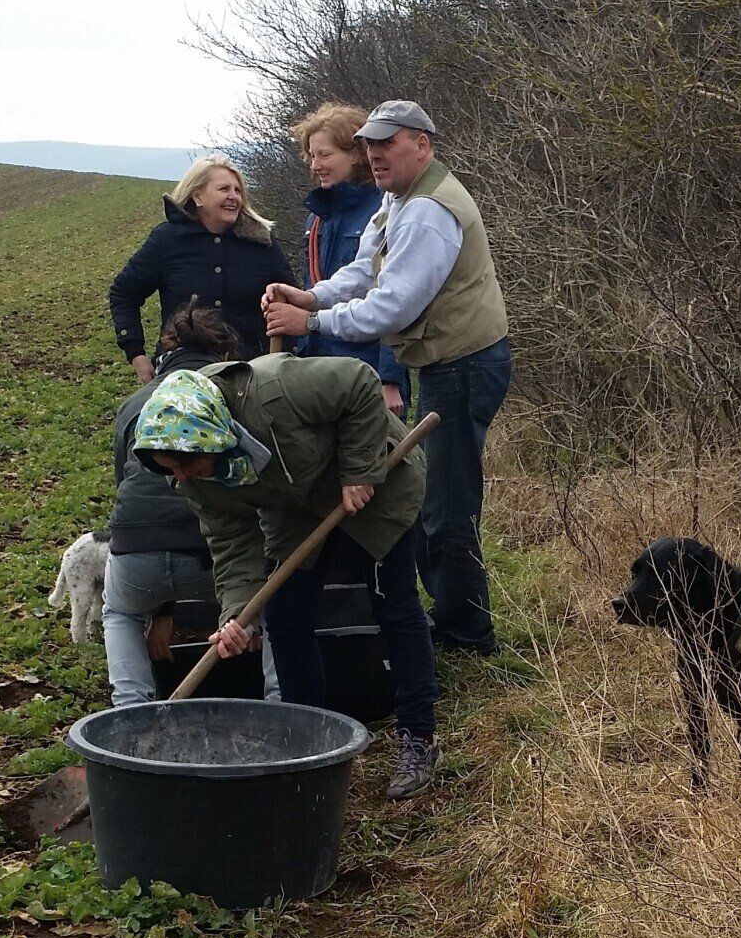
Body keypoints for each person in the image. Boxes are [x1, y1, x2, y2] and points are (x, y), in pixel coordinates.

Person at [262, 100, 511, 654]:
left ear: (421, 145)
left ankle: (467, 636)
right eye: (370, 144)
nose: (375, 154)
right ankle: (452, 620)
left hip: (464, 364)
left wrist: (313, 320)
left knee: (446, 508)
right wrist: (314, 292)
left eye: (387, 143)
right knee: (434, 500)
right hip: (445, 362)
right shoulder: (399, 200)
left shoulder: (428, 211)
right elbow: (366, 266)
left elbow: (392, 307)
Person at [132, 355, 442, 799]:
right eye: (169, 468)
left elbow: (360, 382)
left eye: (185, 466)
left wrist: (358, 470)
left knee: (392, 603)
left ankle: (418, 735)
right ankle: (310, 743)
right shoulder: (192, 474)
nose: (178, 478)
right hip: (295, 507)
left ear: (214, 439)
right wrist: (239, 614)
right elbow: (233, 544)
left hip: (379, 480)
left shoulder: (279, 390)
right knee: (286, 615)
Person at [103, 303, 278, 706]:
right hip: (212, 551)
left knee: (120, 613)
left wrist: (160, 611)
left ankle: (130, 709)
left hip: (135, 549)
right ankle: (280, 702)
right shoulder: (234, 394)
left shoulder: (136, 404)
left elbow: (124, 484)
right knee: (274, 607)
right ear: (224, 355)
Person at [109, 154, 294, 381]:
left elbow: (290, 298)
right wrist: (136, 353)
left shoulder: (262, 243)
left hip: (250, 375)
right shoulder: (167, 240)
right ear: (197, 196)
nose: (233, 197)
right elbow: (124, 293)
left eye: (238, 190)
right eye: (224, 189)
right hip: (183, 373)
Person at [291, 103, 411, 415]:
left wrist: (390, 379)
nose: (316, 165)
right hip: (317, 364)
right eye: (312, 156)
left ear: (356, 154)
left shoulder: (384, 210)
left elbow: (393, 297)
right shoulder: (316, 220)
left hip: (366, 368)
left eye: (325, 155)